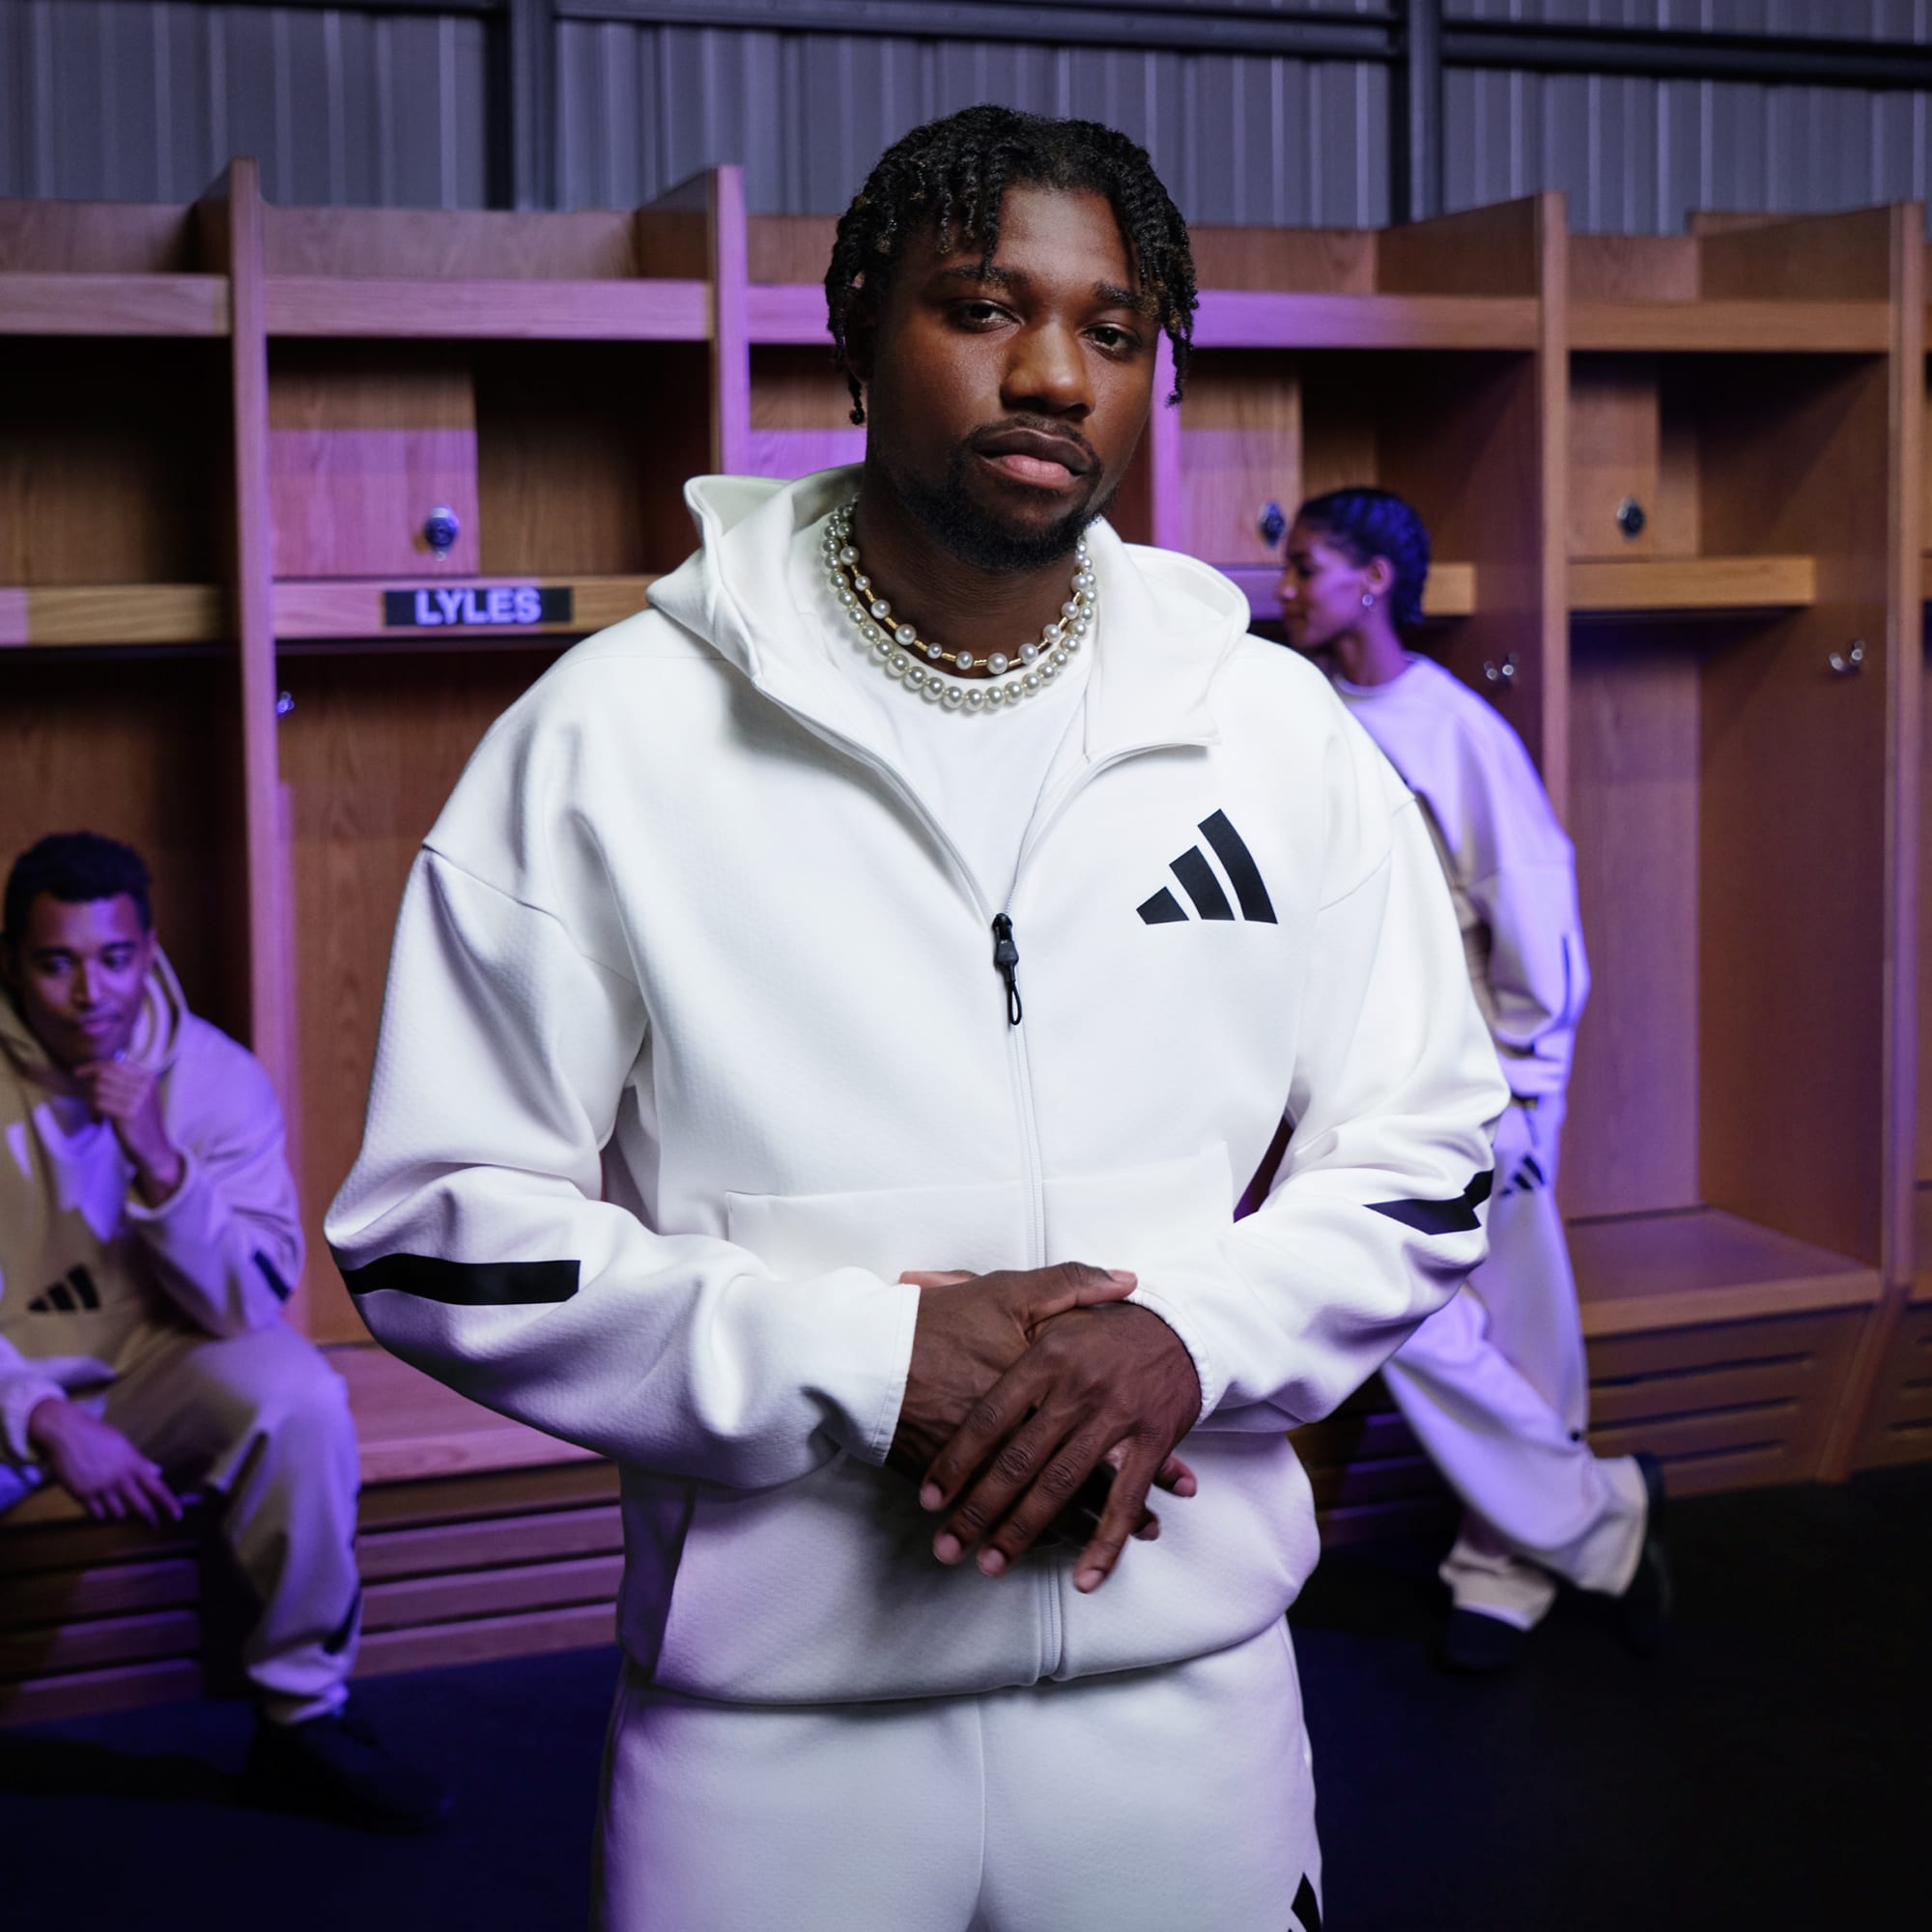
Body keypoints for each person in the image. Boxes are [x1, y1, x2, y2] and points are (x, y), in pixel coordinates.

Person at [328, 107, 1506, 1931]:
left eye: (1113, 330)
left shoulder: (1270, 730)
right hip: (772, 1743)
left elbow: (1432, 1149)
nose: (1053, 373)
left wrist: (1191, 1336)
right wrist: (866, 1365)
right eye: (982, 306)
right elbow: (436, 1232)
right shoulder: (612, 737)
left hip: (1185, 1701)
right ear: (858, 337)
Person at [1278, 487, 1670, 1672]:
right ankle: (1596, 1511)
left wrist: (1527, 1088)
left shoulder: (1455, 728)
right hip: (1350, 1081)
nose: (1282, 589)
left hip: (1478, 1080)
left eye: (1305, 566)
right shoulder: (1289, 707)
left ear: (1372, 581)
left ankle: (1502, 1565)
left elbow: (1533, 910)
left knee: (1516, 1321)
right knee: (1404, 1313)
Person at [0, 831, 447, 1831]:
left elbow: (248, 1303)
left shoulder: (213, 1075)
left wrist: (162, 1166)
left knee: (298, 1396)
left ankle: (302, 1720)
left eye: (115, 958)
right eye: (56, 962)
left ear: (148, 951)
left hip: (153, 1363)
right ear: (14, 964)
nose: (90, 993)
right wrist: (41, 1417)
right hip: (14, 1380)